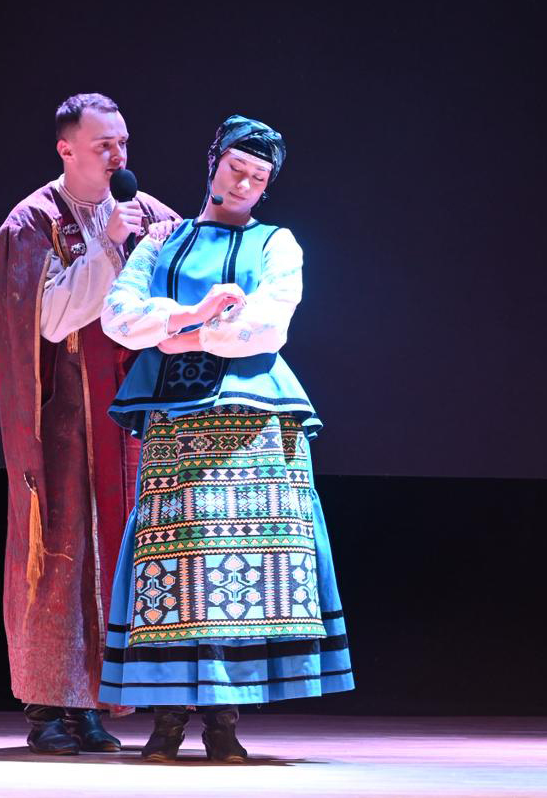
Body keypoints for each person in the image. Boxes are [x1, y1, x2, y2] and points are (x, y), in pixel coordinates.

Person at [97, 115, 354, 762]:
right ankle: (167, 719)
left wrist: (179, 335)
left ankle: (223, 720)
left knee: (237, 570)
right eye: (236, 168)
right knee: (172, 564)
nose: (244, 183)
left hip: (250, 419)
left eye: (258, 177)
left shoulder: (276, 244)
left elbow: (267, 326)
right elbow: (119, 316)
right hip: (176, 418)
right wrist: (195, 314)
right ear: (213, 163)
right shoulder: (163, 240)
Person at [0, 93, 180, 754]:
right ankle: (47, 705)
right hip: (63, 419)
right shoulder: (33, 222)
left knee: (119, 552)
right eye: (103, 145)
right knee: (59, 547)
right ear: (67, 150)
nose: (117, 155)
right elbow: (48, 320)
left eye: (122, 142)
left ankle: (94, 702)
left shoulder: (153, 215)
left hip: (128, 417)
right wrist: (107, 246)